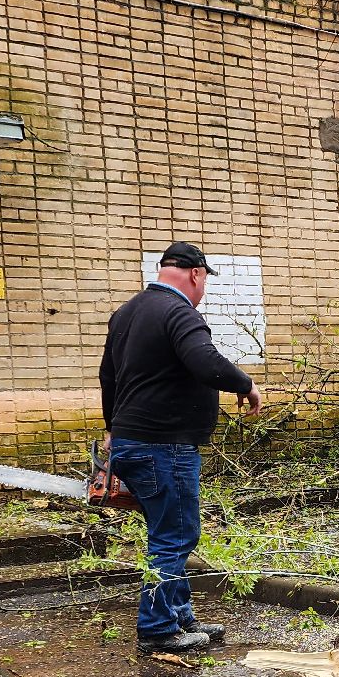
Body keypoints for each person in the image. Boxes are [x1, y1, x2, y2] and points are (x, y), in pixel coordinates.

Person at [100, 241, 263, 655]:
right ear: (195, 274)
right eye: (205, 279)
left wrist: (112, 429)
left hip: (134, 442)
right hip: (164, 447)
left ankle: (180, 616)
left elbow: (109, 378)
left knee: (168, 533)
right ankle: (157, 629)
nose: (203, 286)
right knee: (174, 536)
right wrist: (245, 384)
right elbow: (204, 361)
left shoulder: (126, 314)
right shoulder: (178, 312)